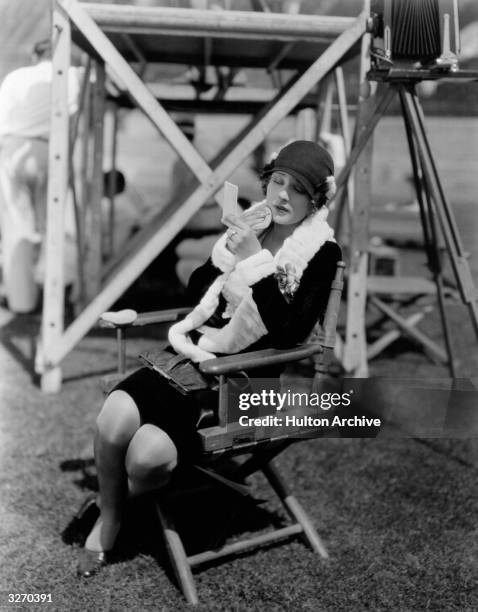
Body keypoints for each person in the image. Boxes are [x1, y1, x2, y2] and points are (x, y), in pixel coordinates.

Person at [76, 140, 342, 577]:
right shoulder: (251, 222)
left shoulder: (320, 253)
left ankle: (121, 497)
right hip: (193, 357)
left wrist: (255, 259)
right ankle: (111, 517)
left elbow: (289, 332)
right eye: (277, 182)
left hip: (243, 380)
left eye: (297, 189)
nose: (281, 197)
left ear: (316, 200)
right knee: (114, 415)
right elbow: (195, 295)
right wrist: (224, 258)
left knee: (147, 457)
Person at [0, 40, 81, 312]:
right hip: (50, 150)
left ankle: (22, 303)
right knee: (52, 226)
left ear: (36, 54)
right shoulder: (72, 75)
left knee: (17, 229)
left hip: (14, 149)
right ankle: (54, 293)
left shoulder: (17, 76)